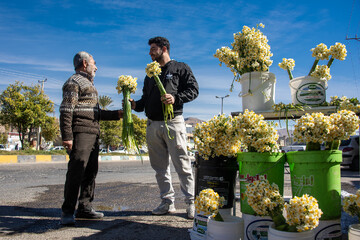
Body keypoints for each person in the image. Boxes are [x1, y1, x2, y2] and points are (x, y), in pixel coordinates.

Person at [131, 36, 199, 219]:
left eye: (153, 49)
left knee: (182, 164)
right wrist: (134, 105)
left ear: (164, 48)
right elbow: (145, 101)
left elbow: (194, 90)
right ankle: (167, 202)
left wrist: (175, 98)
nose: (150, 53)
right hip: (153, 124)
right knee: (160, 168)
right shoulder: (149, 74)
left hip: (173, 122)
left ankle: (191, 203)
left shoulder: (180, 68)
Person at [60, 51, 123, 225]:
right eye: (94, 63)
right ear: (85, 64)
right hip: (81, 132)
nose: (97, 66)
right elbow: (66, 110)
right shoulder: (74, 82)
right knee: (76, 171)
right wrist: (67, 136)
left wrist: (117, 114)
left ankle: (85, 208)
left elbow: (95, 113)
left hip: (93, 133)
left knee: (90, 171)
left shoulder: (89, 84)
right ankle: (67, 211)